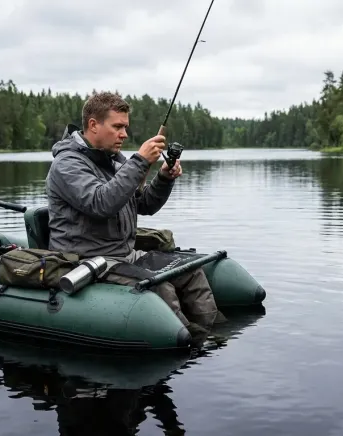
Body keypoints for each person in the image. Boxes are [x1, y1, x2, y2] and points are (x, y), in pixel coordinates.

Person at [45, 91, 224, 342]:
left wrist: (163, 178)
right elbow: (101, 203)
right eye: (117, 126)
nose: (124, 134)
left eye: (125, 127)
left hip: (124, 256)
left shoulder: (114, 160)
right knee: (159, 285)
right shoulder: (67, 165)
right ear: (93, 125)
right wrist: (139, 161)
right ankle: (188, 343)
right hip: (87, 259)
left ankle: (215, 336)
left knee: (189, 270)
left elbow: (144, 204)